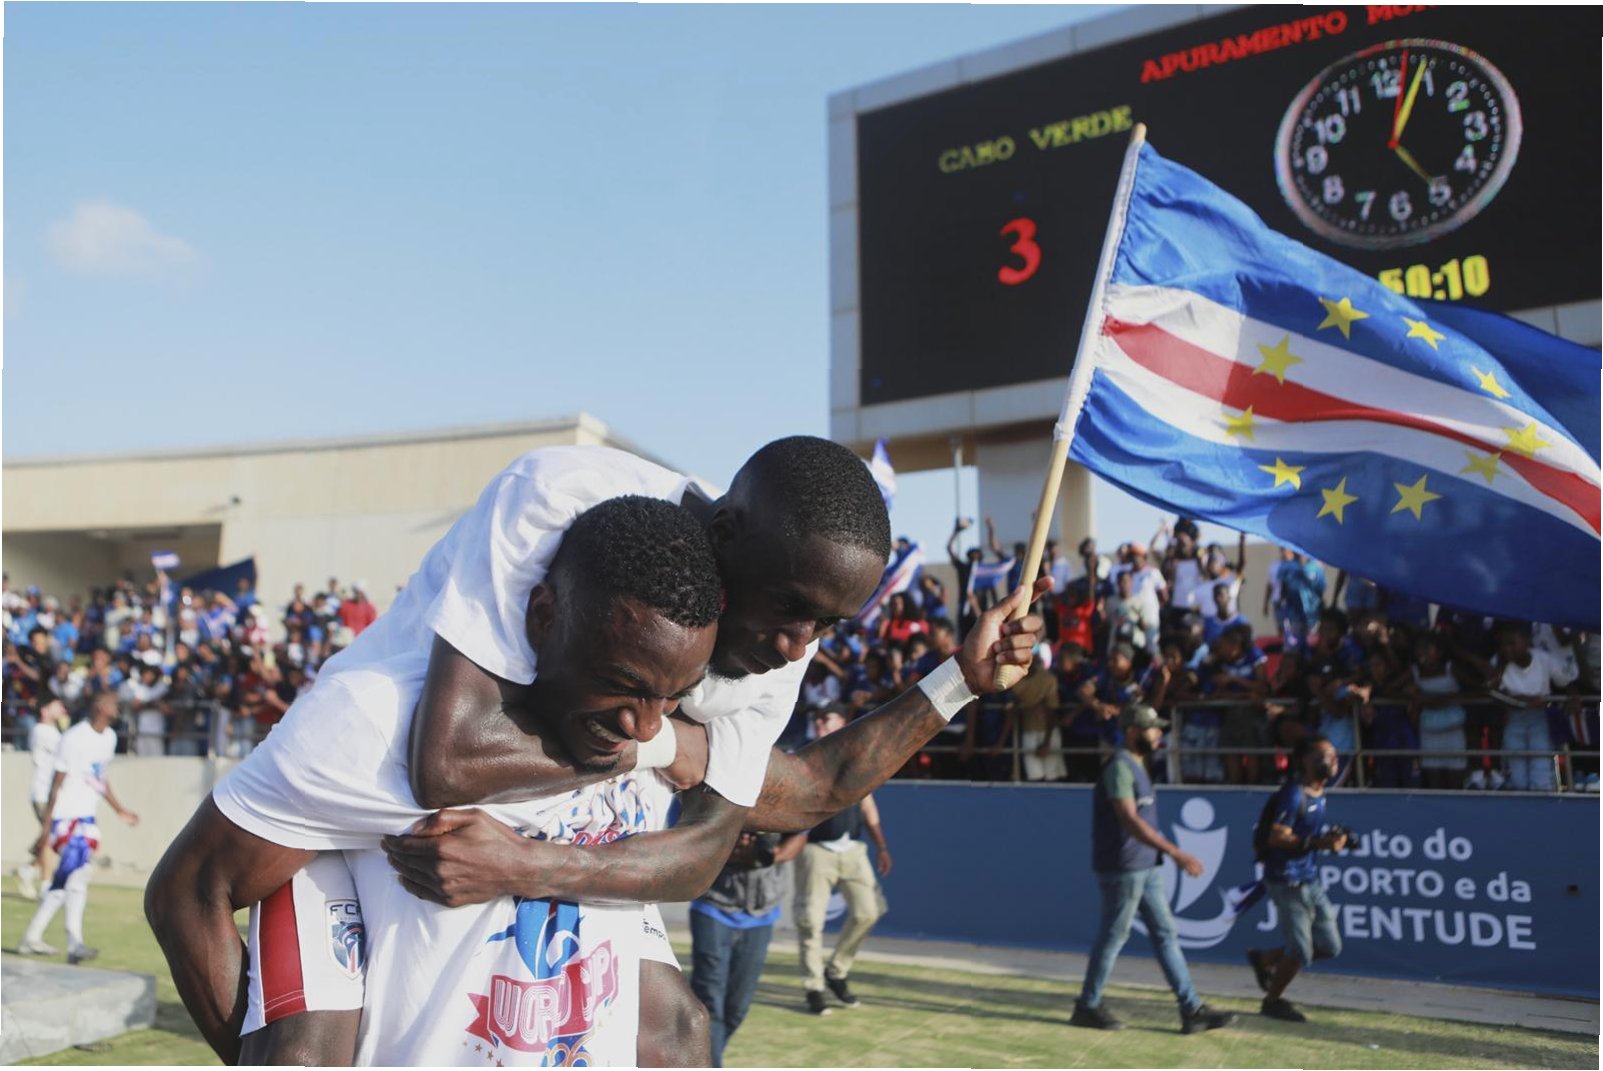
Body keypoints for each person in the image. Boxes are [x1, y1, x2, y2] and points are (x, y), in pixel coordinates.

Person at [147, 441, 1047, 1064]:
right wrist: (667, 746)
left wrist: (958, 681)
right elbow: (444, 761)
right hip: (372, 823)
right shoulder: (548, 512)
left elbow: (772, 806)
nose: (795, 646)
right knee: (303, 1050)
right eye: (786, 608)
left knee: (678, 1031)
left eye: (826, 624)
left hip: (552, 850)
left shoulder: (764, 645)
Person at [1070, 704, 1234, 1035]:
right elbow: (1129, 821)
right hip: (1124, 869)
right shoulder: (1119, 767)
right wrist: (1176, 853)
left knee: (1165, 933)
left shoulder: (1137, 765)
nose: (1159, 734)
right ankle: (1087, 1006)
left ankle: (1192, 1009)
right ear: (1133, 732)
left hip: (1145, 867)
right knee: (1114, 936)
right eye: (1152, 728)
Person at [18, 692, 141, 962]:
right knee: (75, 875)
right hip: (66, 817)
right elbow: (56, 783)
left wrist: (120, 810)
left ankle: (37, 937)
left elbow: (100, 778)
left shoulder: (109, 738)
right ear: (98, 706)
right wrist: (46, 828)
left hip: (86, 817)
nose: (116, 705)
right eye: (111, 702)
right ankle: (72, 942)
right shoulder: (73, 737)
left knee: (74, 878)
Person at [795, 705, 891, 1017]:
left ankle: (836, 971)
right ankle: (814, 987)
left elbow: (868, 805)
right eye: (818, 719)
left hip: (852, 849)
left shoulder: (856, 757)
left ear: (843, 722)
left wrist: (881, 846)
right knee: (810, 921)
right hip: (816, 850)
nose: (821, 723)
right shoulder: (805, 755)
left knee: (869, 912)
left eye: (828, 718)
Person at [1245, 734, 1347, 1023]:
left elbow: (1307, 834)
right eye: (1324, 755)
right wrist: (1318, 843)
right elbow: (1277, 837)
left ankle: (1265, 959)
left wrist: (1335, 839)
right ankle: (1272, 1001)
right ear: (1305, 760)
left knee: (1329, 946)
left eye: (1334, 755)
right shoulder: (1294, 794)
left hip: (1309, 879)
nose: (1333, 760)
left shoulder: (1319, 792)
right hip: (1286, 880)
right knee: (1300, 950)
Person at [689, 829, 807, 1066]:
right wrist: (727, 850)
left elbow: (799, 836)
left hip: (761, 915)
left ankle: (700, 1058)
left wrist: (766, 856)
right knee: (709, 1001)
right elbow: (690, 836)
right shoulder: (708, 799)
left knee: (737, 1008)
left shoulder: (782, 806)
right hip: (712, 906)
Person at [16, 700, 73, 899]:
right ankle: (46, 885)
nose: (62, 709)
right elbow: (68, 750)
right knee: (50, 839)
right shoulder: (41, 731)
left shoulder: (55, 733)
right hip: (43, 793)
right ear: (44, 710)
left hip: (55, 795)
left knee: (52, 837)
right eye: (57, 706)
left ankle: (30, 869)